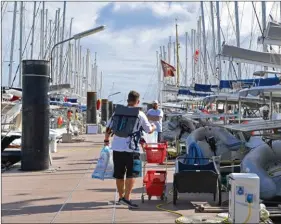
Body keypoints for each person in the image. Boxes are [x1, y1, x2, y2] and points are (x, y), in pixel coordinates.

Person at [104, 90, 156, 209]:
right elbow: (148, 130)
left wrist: (106, 141)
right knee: (131, 174)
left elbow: (108, 128)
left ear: (127, 100)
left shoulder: (117, 112)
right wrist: (153, 127)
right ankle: (127, 198)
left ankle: (121, 197)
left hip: (117, 147)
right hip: (132, 148)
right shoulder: (140, 114)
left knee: (119, 174)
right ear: (137, 101)